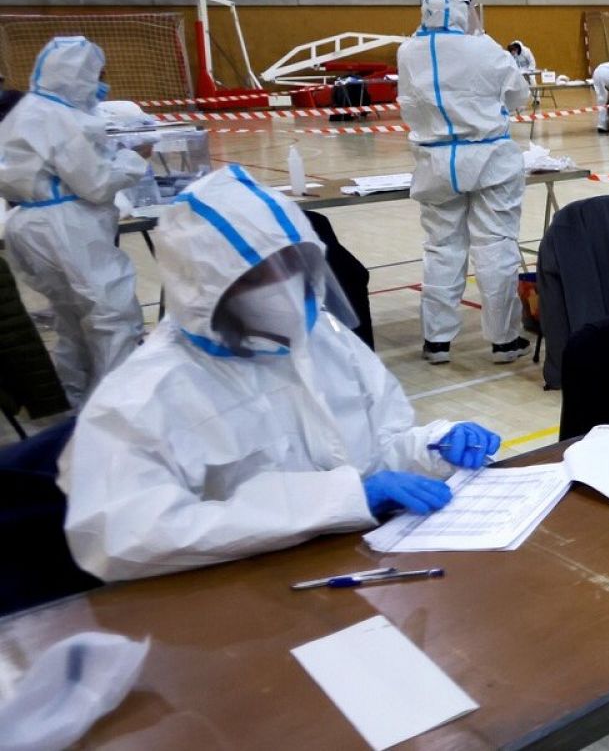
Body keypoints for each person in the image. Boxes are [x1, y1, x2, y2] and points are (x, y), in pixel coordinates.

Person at [57, 165, 504, 582]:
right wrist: (341, 500)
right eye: (258, 277)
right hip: (239, 592)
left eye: (295, 265)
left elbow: (380, 447)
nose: (287, 289)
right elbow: (123, 539)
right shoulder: (144, 397)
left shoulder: (324, 341)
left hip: (357, 561)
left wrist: (433, 446)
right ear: (207, 288)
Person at [0, 37, 146, 407]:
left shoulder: (29, 108)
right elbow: (96, 185)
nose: (102, 81)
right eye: (98, 74)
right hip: (67, 227)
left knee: (70, 322)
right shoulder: (61, 118)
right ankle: (118, 410)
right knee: (111, 318)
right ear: (79, 74)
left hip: (27, 223)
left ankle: (78, 404)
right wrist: (134, 159)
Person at [397, 0, 533, 366]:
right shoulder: (484, 49)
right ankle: (504, 340)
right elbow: (518, 96)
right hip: (490, 160)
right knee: (495, 247)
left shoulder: (407, 52)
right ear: (461, 7)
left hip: (435, 164)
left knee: (441, 248)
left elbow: (408, 105)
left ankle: (437, 341)